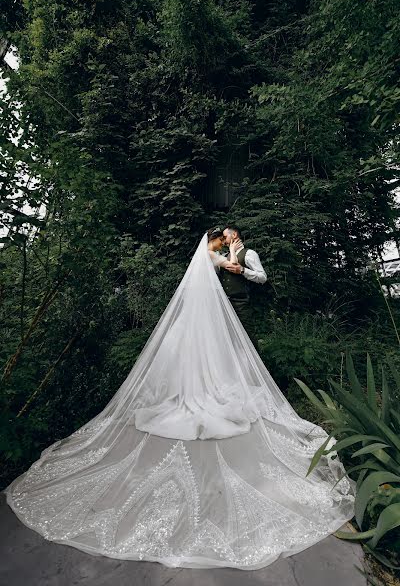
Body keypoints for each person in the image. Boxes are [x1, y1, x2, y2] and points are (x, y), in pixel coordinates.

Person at [4, 229, 355, 570]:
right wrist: (233, 248)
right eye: (223, 238)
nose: (227, 241)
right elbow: (229, 265)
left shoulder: (208, 258)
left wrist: (233, 250)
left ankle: (196, 391)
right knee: (213, 361)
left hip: (208, 315)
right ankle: (201, 392)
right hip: (216, 314)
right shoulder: (216, 256)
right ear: (217, 242)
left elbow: (240, 270)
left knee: (200, 359)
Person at [219, 226, 267, 352]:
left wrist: (242, 270)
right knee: (226, 340)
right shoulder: (224, 255)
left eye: (225, 237)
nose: (223, 240)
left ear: (234, 235)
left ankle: (254, 370)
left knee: (248, 338)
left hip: (240, 303)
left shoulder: (249, 254)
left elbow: (262, 277)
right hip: (223, 304)